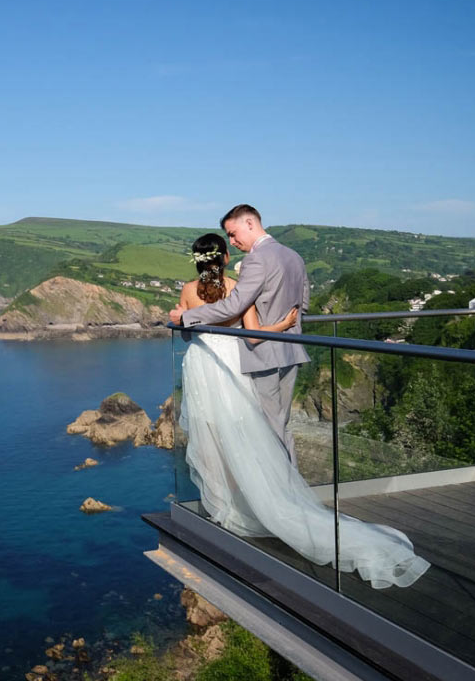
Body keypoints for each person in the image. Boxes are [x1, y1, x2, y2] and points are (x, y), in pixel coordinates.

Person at [176, 233, 430, 589]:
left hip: (202, 365)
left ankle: (221, 508)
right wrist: (281, 326)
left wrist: (181, 318)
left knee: (211, 437)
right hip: (232, 365)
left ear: (197, 260)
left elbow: (186, 331)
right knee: (244, 435)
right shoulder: (236, 288)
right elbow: (252, 337)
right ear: (225, 255)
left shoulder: (188, 291)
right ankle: (250, 501)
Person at [170, 205, 309, 466]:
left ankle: (281, 495)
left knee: (268, 429)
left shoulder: (256, 260)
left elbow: (235, 305)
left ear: (249, 223)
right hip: (292, 349)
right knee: (282, 424)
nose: (233, 242)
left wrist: (187, 318)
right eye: (228, 239)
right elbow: (304, 304)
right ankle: (290, 485)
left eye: (233, 234)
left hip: (261, 354)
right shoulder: (294, 256)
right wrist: (286, 325)